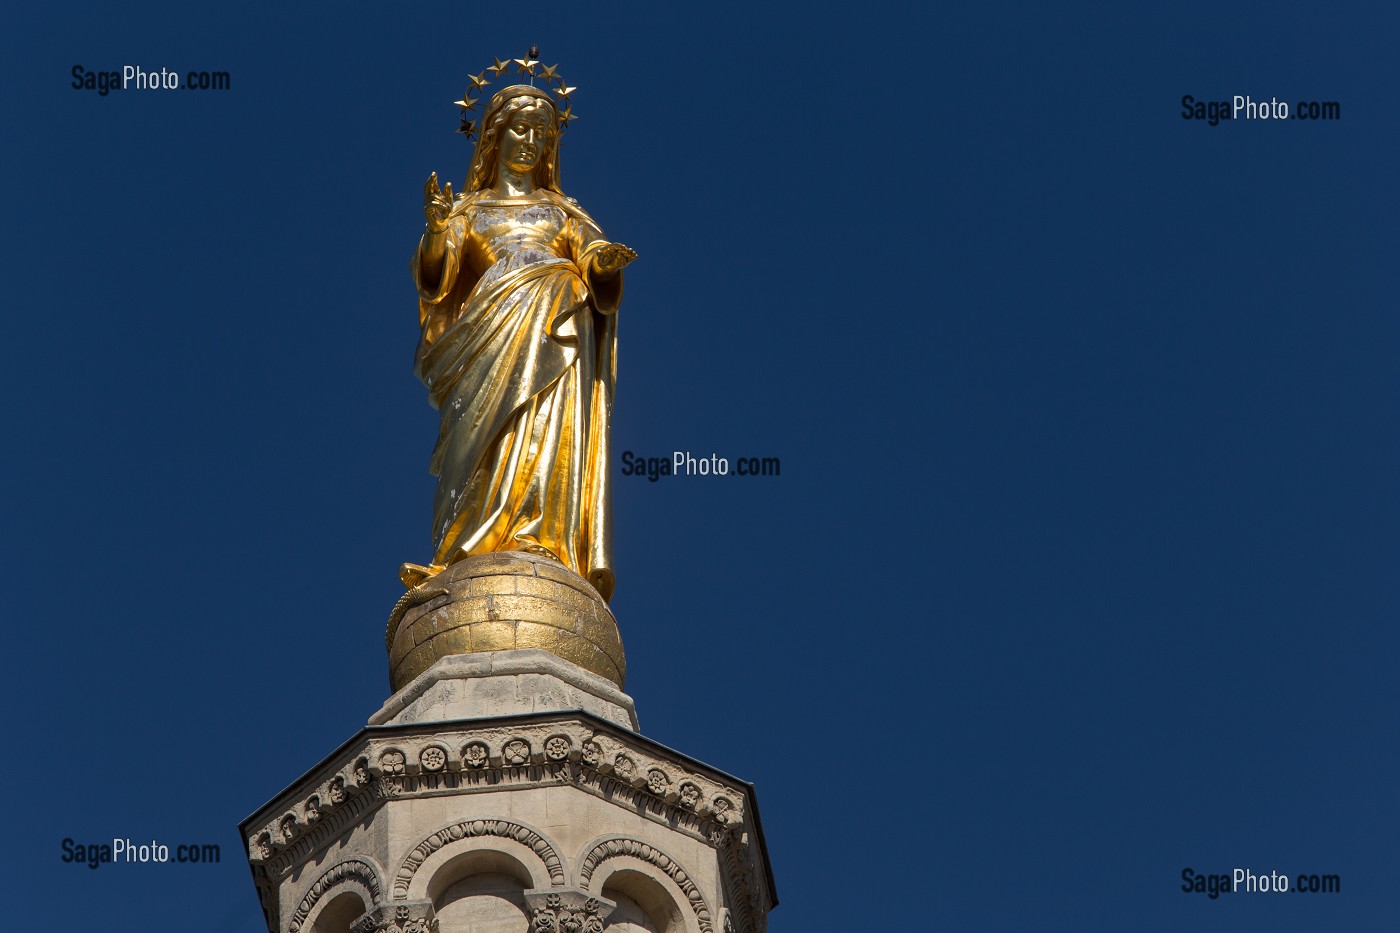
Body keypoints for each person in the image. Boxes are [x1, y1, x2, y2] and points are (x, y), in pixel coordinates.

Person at [404, 84, 635, 601]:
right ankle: (468, 538)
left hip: (557, 328)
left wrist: (602, 263)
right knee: (476, 444)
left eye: (542, 133)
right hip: (488, 337)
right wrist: (438, 230)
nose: (531, 141)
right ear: (495, 136)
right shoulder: (470, 211)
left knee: (547, 430)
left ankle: (541, 535)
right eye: (520, 129)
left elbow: (590, 253)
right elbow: (437, 280)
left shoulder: (563, 212)